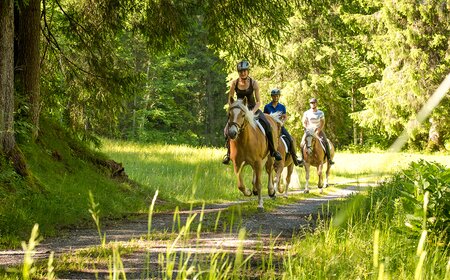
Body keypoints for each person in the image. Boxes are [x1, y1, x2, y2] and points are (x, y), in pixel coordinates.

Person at [222, 60, 282, 164]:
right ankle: (228, 154)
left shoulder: (254, 83)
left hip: (253, 109)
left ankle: (273, 151)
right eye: (241, 71)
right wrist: (233, 108)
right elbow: (230, 99)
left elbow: (259, 102)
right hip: (239, 110)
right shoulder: (234, 83)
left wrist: (252, 112)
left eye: (245, 71)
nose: (243, 73)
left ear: (248, 71)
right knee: (226, 129)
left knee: (267, 125)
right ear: (238, 72)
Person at [263, 88, 301, 166]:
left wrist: (282, 123)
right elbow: (265, 117)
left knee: (290, 139)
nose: (275, 97)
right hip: (270, 128)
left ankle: (295, 158)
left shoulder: (282, 107)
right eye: (274, 96)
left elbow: (285, 116)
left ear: (279, 96)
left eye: (277, 96)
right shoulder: (267, 106)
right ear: (272, 96)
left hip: (280, 127)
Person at [301, 98, 334, 165]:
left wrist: (318, 131)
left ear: (316, 104)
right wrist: (307, 129)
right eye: (311, 103)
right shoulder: (306, 113)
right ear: (310, 104)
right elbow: (304, 122)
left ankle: (329, 159)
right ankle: (302, 159)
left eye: (314, 103)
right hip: (309, 131)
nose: (313, 104)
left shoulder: (320, 113)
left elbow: (322, 123)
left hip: (318, 130)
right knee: (302, 143)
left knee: (325, 141)